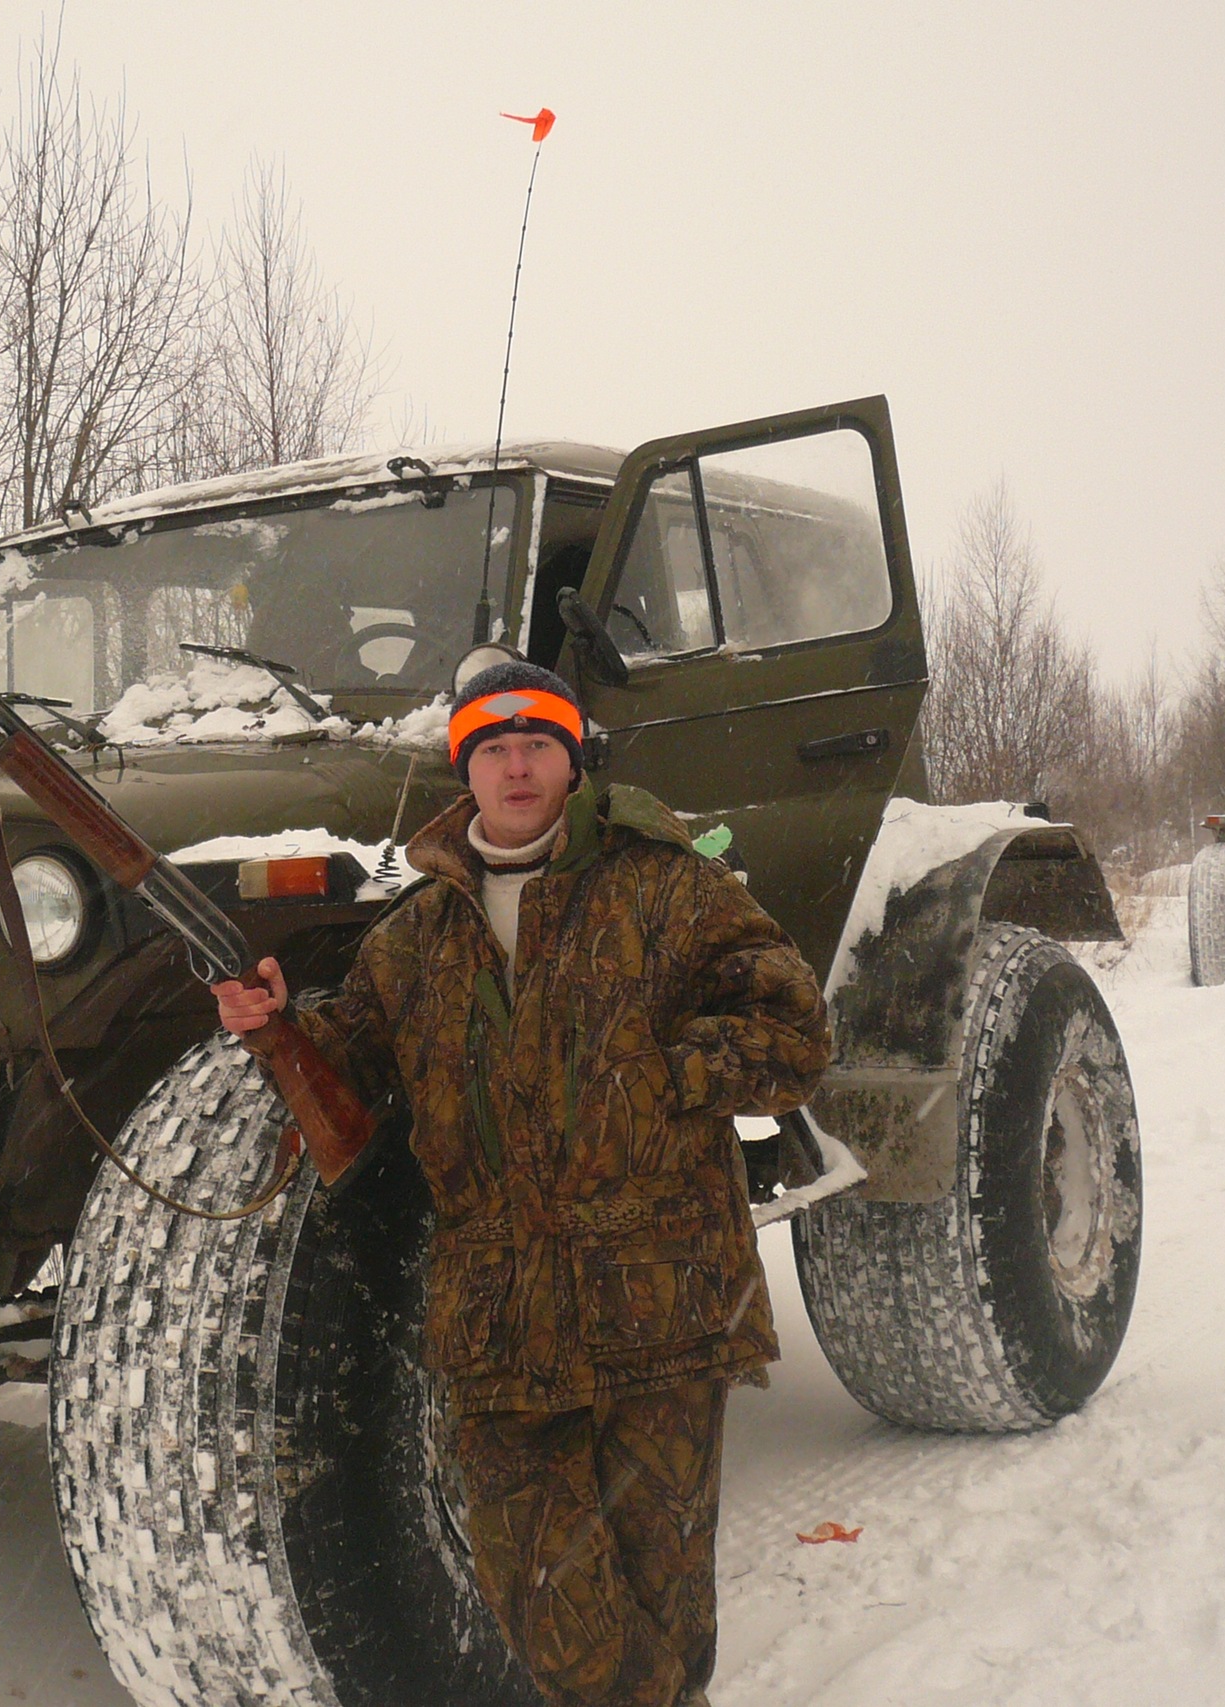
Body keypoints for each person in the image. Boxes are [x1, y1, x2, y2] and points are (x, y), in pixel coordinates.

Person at [213, 660, 828, 1707]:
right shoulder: (413, 937)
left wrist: (662, 1080)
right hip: (501, 1322)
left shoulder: (668, 889)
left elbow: (793, 1031)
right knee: (545, 1598)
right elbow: (347, 1081)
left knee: (664, 1602)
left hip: (661, 1303)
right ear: (465, 770)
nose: (516, 766)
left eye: (537, 743)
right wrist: (275, 1028)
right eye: (492, 749)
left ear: (571, 760)